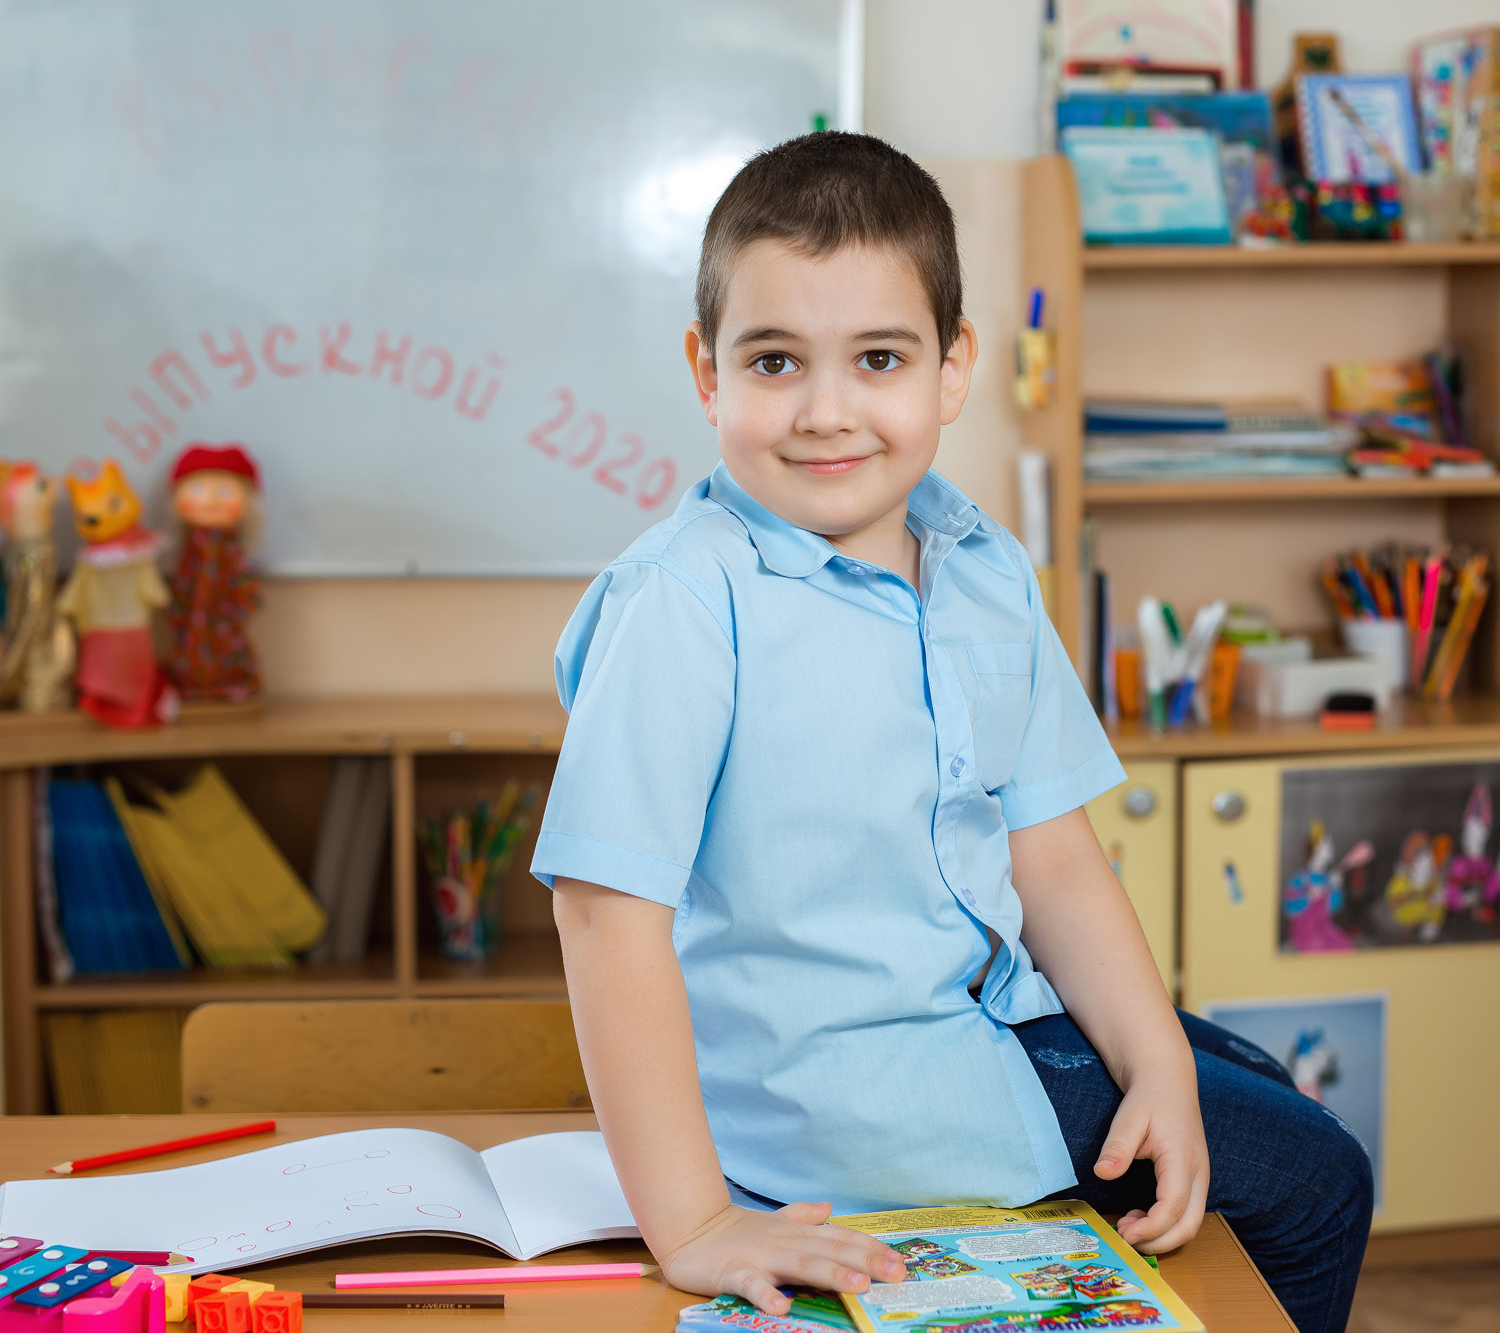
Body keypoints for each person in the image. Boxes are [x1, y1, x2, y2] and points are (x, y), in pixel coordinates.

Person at [532, 132, 1373, 1333]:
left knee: (1244, 1083)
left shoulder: (981, 568)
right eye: (774, 361)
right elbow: (605, 911)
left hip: (982, 1017)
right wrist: (696, 1222)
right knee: (1315, 1176)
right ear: (706, 373)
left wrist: (1163, 1064)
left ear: (950, 368)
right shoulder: (679, 599)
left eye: (877, 357)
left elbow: (1053, 855)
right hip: (853, 1093)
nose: (827, 412)